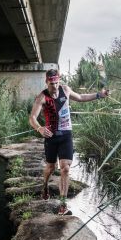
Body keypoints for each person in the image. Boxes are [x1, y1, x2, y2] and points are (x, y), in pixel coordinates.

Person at [29, 69, 109, 215]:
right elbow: (32, 118)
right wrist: (39, 128)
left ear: (59, 81)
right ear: (46, 82)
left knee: (65, 168)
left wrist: (99, 94)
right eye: (51, 83)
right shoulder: (42, 97)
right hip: (51, 137)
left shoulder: (65, 90)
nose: (54, 86)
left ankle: (63, 205)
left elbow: (81, 97)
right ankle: (45, 185)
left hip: (66, 135)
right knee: (50, 167)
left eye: (56, 82)